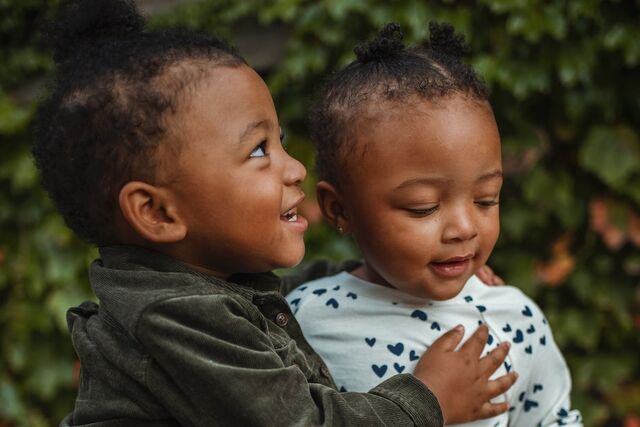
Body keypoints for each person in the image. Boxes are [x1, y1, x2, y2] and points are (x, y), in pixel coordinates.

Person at [32, 1, 518, 426]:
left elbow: (272, 297)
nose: (296, 169)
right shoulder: (175, 317)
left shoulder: (197, 286)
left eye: (280, 141)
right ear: (157, 212)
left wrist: (375, 276)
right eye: (259, 151)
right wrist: (429, 397)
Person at [287, 23, 582, 426]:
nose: (463, 227)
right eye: (423, 207)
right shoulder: (303, 320)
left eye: (486, 200)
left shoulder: (514, 319)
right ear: (340, 210)